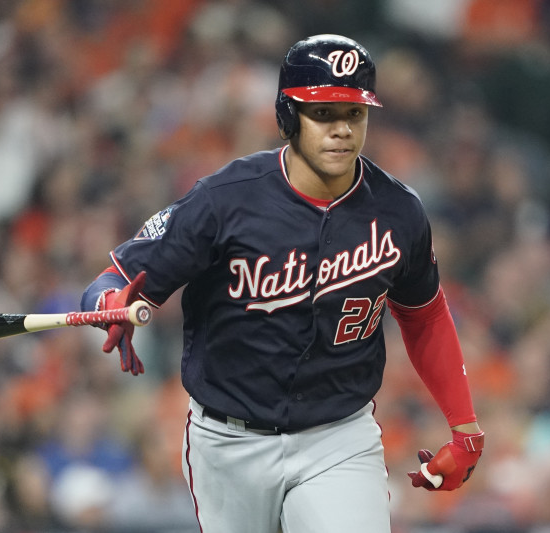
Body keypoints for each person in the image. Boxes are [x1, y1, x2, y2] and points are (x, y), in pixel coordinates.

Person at [81, 34, 484, 533]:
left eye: (353, 114)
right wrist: (107, 302)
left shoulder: (399, 211)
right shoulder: (224, 201)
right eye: (323, 114)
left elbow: (425, 314)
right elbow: (116, 277)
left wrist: (464, 428)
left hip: (338, 437)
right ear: (287, 116)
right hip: (229, 442)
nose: (341, 130)